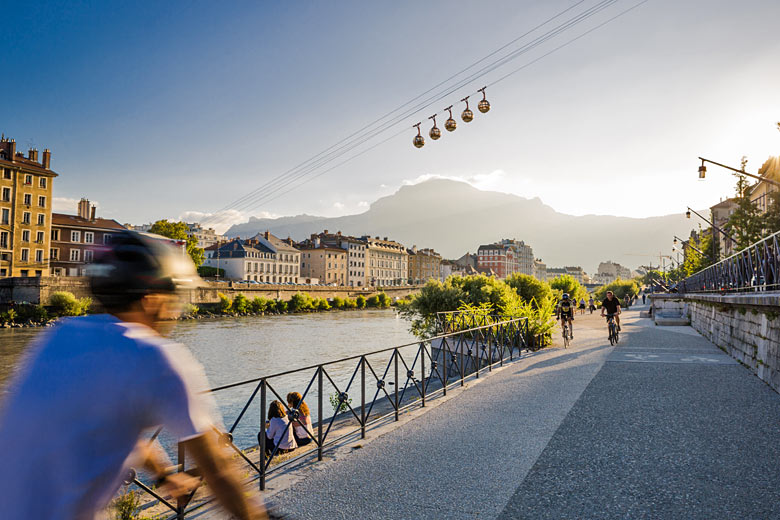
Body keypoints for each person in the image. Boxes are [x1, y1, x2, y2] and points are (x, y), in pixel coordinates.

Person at [0, 231, 265, 519]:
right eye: (174, 299)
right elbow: (218, 470)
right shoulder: (155, 355)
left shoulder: (59, 335)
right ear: (152, 300)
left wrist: (163, 474)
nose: (176, 313)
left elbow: (107, 417)